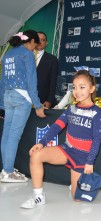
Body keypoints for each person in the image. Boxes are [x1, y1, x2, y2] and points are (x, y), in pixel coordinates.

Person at [20, 70, 101, 209]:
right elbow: (56, 127)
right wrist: (41, 143)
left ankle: (79, 182)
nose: (77, 91)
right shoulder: (70, 108)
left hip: (82, 157)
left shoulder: (97, 113)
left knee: (76, 198)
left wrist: (90, 162)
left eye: (82, 87)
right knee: (36, 155)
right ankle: (38, 196)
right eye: (74, 87)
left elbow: (97, 139)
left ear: (92, 89)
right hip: (67, 150)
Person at [0, 30, 46, 183]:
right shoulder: (27, 55)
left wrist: (1, 103)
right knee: (13, 135)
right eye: (35, 44)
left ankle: (6, 170)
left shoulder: (8, 55)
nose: (35, 47)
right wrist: (38, 105)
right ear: (31, 41)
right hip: (22, 98)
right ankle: (8, 171)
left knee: (6, 134)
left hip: (8, 96)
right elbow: (32, 83)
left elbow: (2, 80)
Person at [35, 31, 59, 109]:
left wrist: (49, 100)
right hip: (24, 100)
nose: (40, 42)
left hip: (42, 100)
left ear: (46, 43)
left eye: (43, 40)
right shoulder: (25, 57)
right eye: (38, 39)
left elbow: (53, 82)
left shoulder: (52, 60)